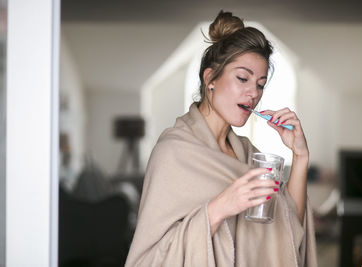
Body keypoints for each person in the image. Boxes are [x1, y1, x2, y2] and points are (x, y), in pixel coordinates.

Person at [125, 10, 317, 267]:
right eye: (242, 78)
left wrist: (300, 156)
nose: (253, 93)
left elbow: (290, 229)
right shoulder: (172, 153)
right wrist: (218, 209)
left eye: (260, 84)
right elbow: (146, 260)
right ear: (210, 79)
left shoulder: (248, 154)